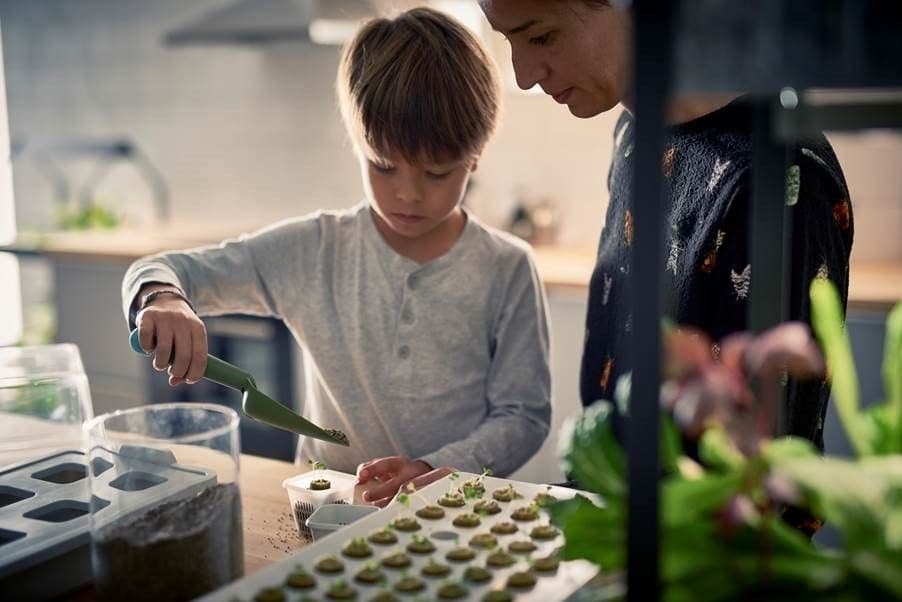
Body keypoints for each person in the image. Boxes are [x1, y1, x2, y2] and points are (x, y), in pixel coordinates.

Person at [122, 7, 551, 506]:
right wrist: (163, 298)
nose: (408, 194)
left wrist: (436, 469)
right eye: (383, 166)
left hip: (455, 511)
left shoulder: (508, 268)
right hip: (326, 509)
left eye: (437, 174)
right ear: (357, 144)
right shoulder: (313, 250)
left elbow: (524, 416)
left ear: (475, 157)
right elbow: (162, 270)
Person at [478, 0, 853, 451]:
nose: (523, 75)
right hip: (613, 507)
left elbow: (767, 464)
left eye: (541, 37)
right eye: (508, 40)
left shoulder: (781, 176)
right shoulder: (633, 132)